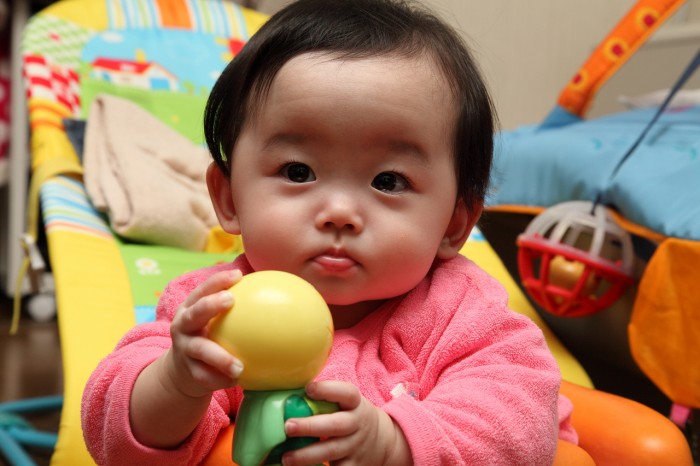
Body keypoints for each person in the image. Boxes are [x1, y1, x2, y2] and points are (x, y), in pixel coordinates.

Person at [82, 0, 577, 464]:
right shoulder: (217, 310)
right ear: (230, 199)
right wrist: (177, 383)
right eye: (298, 172)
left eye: (388, 181)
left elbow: (522, 423)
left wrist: (396, 445)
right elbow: (111, 433)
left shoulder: (465, 317)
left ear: (453, 224)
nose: (339, 212)